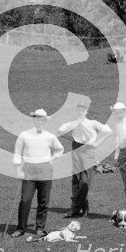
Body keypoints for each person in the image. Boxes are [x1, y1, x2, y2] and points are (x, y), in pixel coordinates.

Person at [11, 109, 64, 238]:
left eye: (42, 119)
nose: (39, 121)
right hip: (29, 171)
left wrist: (51, 159)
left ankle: (40, 228)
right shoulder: (24, 135)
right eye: (37, 119)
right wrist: (19, 169)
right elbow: (17, 153)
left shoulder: (49, 136)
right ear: (33, 120)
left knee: (43, 201)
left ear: (45, 121)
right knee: (25, 200)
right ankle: (21, 228)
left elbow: (60, 149)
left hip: (45, 171)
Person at [57, 102, 112, 218]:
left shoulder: (92, 123)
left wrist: (97, 142)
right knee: (77, 180)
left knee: (85, 181)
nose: (81, 112)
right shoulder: (73, 123)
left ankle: (76, 208)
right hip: (76, 149)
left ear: (87, 111)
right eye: (79, 109)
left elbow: (108, 131)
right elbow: (59, 131)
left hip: (88, 150)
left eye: (83, 110)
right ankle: (82, 208)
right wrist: (72, 139)